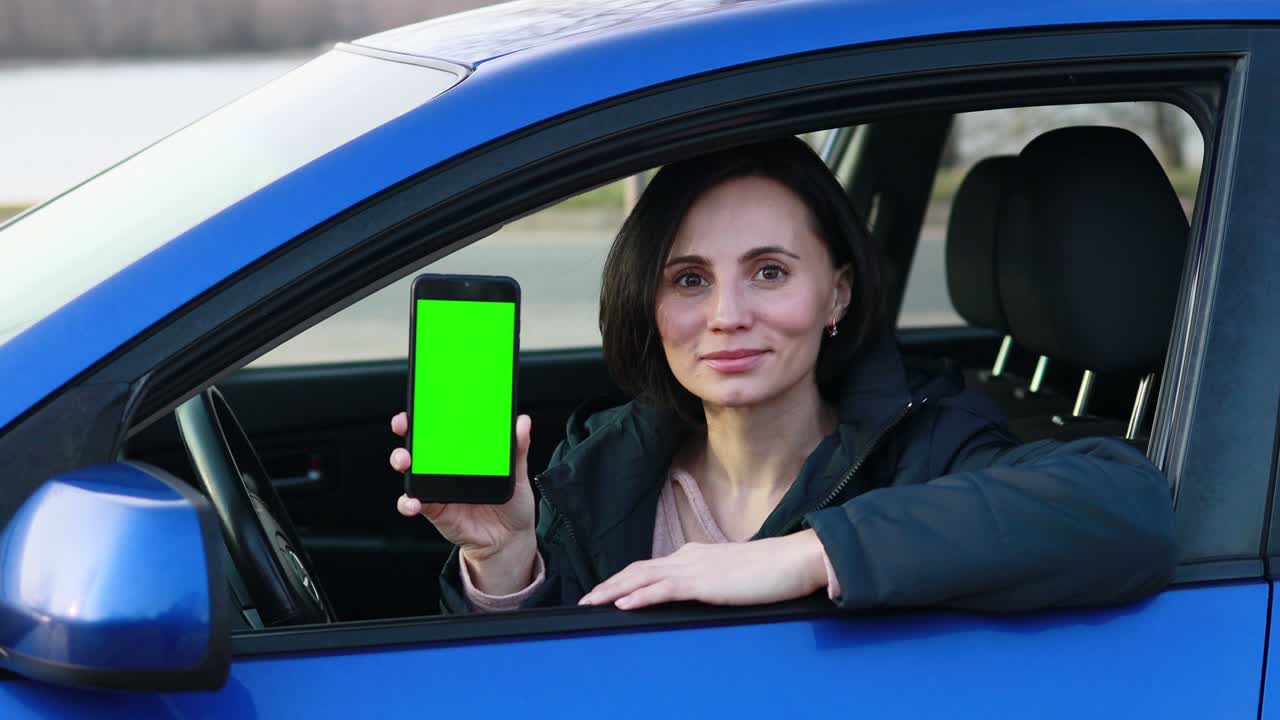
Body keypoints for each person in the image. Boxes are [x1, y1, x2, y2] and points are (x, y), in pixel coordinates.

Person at [390, 137, 1177, 613]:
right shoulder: (596, 471)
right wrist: (505, 562)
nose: (726, 314)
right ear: (650, 304)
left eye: (768, 271)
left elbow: (1128, 508)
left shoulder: (925, 448)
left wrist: (804, 555)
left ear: (837, 292)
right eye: (689, 280)